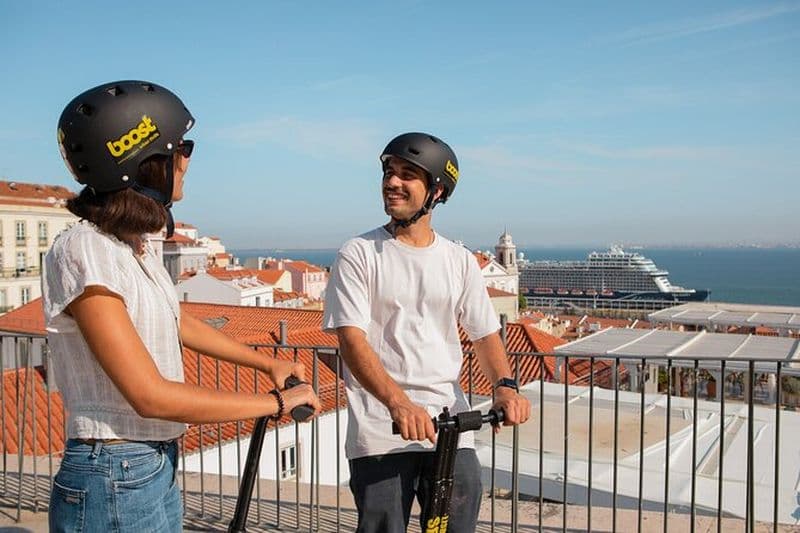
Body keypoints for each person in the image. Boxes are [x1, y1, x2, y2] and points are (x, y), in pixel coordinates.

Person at [45, 80, 321, 533]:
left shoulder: (135, 243)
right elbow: (148, 394)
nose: (188, 160)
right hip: (114, 470)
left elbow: (178, 320)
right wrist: (274, 402)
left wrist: (262, 363)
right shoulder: (85, 251)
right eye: (182, 147)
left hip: (150, 466)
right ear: (143, 162)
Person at [323, 132, 532, 532]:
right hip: (381, 431)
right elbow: (351, 340)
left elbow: (486, 335)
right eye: (389, 172)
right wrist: (398, 404)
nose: (392, 182)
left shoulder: (458, 260)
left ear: (436, 191)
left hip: (450, 428)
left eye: (407, 175)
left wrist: (504, 387)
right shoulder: (359, 253)